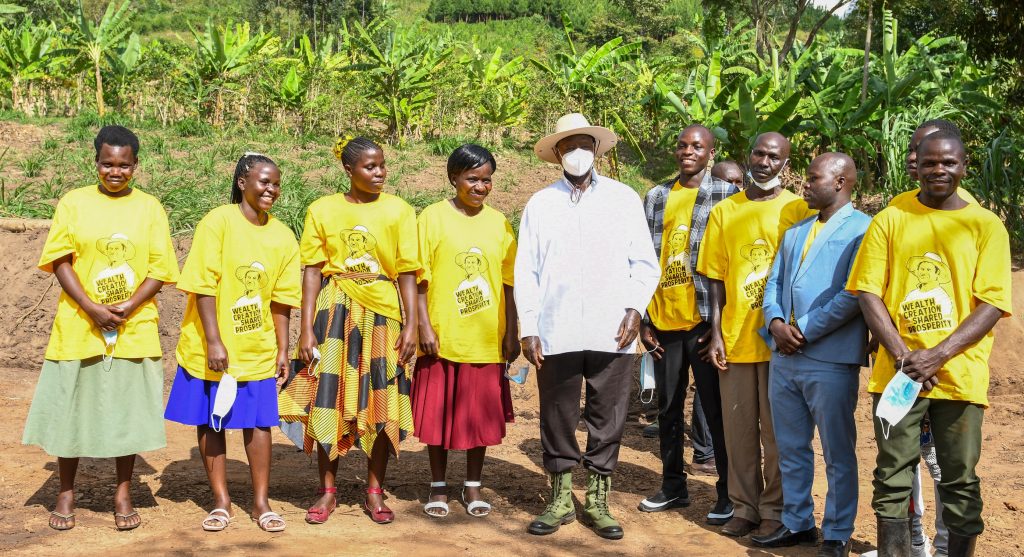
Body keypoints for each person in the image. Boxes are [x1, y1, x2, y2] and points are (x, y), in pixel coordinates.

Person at [848, 132, 1011, 557]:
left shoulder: (985, 224)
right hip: (897, 377)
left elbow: (992, 302)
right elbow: (868, 292)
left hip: (960, 377)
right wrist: (905, 357)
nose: (940, 170)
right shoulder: (892, 217)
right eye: (931, 163)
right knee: (892, 477)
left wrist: (937, 355)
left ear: (964, 164)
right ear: (916, 164)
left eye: (949, 163)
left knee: (959, 477)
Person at [22, 125, 179, 531]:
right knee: (72, 407)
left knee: (125, 411)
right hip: (79, 325)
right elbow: (61, 260)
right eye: (107, 164)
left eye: (124, 165)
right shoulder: (74, 203)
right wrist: (92, 308)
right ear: (96, 163)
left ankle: (123, 491)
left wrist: (127, 306)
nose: (115, 171)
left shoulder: (150, 208)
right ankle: (66, 490)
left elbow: (161, 269)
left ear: (135, 165)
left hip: (133, 325)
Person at [517, 113, 659, 540]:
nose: (577, 152)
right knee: (558, 413)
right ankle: (560, 497)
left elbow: (644, 263)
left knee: (609, 413)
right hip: (555, 328)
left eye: (584, 144)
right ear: (557, 153)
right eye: (568, 146)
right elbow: (527, 271)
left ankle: (598, 498)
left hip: (612, 326)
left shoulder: (623, 199)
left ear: (596, 150)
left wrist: (635, 309)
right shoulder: (541, 204)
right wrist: (529, 325)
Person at [277, 137, 419, 525]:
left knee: (381, 399)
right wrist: (305, 329)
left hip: (384, 312)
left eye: (383, 165)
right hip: (335, 309)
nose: (379, 173)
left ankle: (375, 491)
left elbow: (407, 271)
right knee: (329, 398)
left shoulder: (400, 211)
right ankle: (328, 491)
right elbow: (311, 271)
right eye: (370, 167)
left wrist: (413, 324)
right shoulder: (322, 209)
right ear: (349, 169)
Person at [164, 153, 301, 533]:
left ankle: (260, 503)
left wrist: (282, 347)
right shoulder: (218, 222)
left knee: (259, 424)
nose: (271, 190)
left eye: (276, 184)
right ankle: (221, 501)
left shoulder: (283, 235)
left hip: (256, 348)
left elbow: (281, 300)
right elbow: (203, 285)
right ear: (243, 182)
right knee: (213, 421)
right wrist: (213, 340)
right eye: (264, 182)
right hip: (213, 346)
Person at [697, 132, 815, 538]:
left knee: (780, 434)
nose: (764, 161)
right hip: (736, 337)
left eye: (774, 156)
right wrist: (715, 333)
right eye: (759, 153)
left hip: (783, 342)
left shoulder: (799, 209)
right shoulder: (725, 211)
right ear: (748, 156)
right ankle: (744, 506)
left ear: (786, 162)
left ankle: (776, 510)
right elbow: (714, 276)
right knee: (739, 431)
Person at [754, 153, 870, 556]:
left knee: (837, 450)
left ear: (840, 182)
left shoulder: (863, 230)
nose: (804, 184)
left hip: (830, 358)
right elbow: (774, 283)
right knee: (790, 446)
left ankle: (837, 532)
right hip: (784, 357)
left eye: (812, 178)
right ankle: (798, 522)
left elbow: (855, 294)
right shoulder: (795, 232)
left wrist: (803, 329)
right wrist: (774, 324)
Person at [638, 125, 738, 526]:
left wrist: (719, 326)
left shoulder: (727, 195)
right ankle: (673, 485)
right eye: (682, 145)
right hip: (664, 321)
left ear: (711, 152)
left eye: (697, 146)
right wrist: (645, 319)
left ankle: (728, 492)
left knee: (715, 411)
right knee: (667, 409)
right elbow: (643, 260)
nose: (688, 151)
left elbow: (730, 264)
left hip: (703, 322)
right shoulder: (657, 196)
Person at [413, 144, 518, 519]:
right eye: (472, 178)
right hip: (442, 335)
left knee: (480, 416)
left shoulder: (499, 223)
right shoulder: (431, 218)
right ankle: (437, 484)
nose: (480, 186)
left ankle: (473, 484)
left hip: (486, 336)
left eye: (486, 179)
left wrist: (513, 331)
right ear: (453, 178)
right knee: (438, 414)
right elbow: (418, 278)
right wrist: (423, 325)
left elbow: (508, 281)